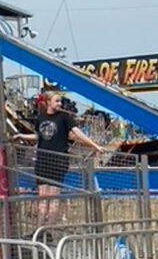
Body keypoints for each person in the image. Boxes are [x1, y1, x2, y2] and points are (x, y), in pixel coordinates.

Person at [14, 92, 107, 224]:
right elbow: (38, 136)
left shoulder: (64, 117)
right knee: (42, 197)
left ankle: (49, 229)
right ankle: (39, 229)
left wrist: (94, 145)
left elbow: (77, 133)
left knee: (53, 197)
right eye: (56, 101)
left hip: (57, 161)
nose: (59, 104)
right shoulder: (41, 117)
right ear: (48, 102)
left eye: (60, 101)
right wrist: (21, 136)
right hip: (42, 161)